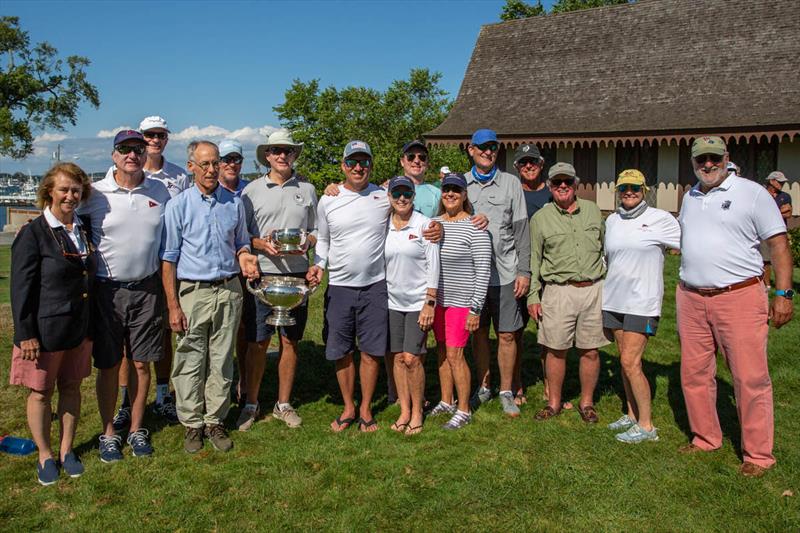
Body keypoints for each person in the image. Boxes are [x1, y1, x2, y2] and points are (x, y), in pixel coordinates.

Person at [677, 136, 794, 477]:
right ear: (694, 162)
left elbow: (779, 245)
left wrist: (783, 295)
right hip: (691, 297)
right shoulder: (690, 196)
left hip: (739, 296)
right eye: (702, 160)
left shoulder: (752, 193)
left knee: (750, 377)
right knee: (694, 374)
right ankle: (705, 438)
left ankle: (757, 455)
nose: (708, 165)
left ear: (727, 157)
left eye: (714, 158)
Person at [307, 140, 440, 433]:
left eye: (364, 162)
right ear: (343, 166)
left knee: (370, 351)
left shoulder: (383, 196)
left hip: (376, 287)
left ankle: (366, 409)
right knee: (342, 351)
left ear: (370, 166)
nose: (358, 167)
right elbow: (324, 239)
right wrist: (319, 264)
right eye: (352, 162)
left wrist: (437, 227)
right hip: (340, 285)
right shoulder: (328, 198)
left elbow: (408, 206)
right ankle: (348, 407)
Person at [78, 130, 171, 461]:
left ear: (146, 154)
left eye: (138, 149)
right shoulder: (94, 194)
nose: (132, 154)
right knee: (109, 365)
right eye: (124, 149)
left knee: (142, 364)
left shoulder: (160, 191)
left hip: (147, 287)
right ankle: (108, 433)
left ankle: (136, 428)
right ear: (113, 155)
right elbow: (65, 224)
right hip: (107, 290)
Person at [162, 140, 259, 454]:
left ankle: (214, 420)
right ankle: (192, 424)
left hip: (229, 289)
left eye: (215, 163)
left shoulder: (233, 203)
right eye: (204, 164)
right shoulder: (178, 206)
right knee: (190, 359)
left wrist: (244, 256)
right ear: (191, 166)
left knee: (220, 360)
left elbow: (242, 242)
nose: (211, 169)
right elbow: (169, 259)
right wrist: (173, 305)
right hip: (194, 291)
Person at [10, 162, 95, 485]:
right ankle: (45, 454)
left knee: (72, 388)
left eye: (76, 190)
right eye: (64, 189)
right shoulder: (33, 234)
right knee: (41, 393)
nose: (70, 196)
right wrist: (25, 333)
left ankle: (66, 449)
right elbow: (20, 288)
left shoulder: (82, 228)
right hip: (45, 331)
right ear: (49, 191)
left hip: (78, 327)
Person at [238, 130, 317, 430]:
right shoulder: (251, 191)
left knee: (290, 341)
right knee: (259, 342)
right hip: (263, 273)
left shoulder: (308, 190)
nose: (282, 156)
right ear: (267, 156)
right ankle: (250, 403)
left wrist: (307, 243)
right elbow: (241, 234)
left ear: (294, 154)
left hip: (296, 274)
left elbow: (317, 231)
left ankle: (283, 404)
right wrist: (260, 245)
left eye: (287, 150)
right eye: (276, 151)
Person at [602, 169, 680, 443]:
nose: (629, 193)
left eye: (635, 188)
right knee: (625, 362)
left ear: (644, 190)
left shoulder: (660, 219)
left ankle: (647, 426)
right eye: (624, 188)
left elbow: (686, 247)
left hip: (642, 301)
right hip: (614, 299)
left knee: (630, 362)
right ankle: (632, 414)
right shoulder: (611, 220)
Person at [528, 162, 609, 423]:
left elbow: (606, 248)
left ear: (576, 184)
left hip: (592, 288)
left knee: (591, 350)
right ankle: (554, 402)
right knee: (555, 349)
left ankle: (587, 402)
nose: (562, 186)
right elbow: (533, 259)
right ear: (550, 186)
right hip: (558, 291)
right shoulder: (541, 218)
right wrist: (533, 295)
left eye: (567, 182)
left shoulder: (594, 211)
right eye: (556, 182)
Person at [465, 129, 531, 418]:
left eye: (492, 147)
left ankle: (505, 391)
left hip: (505, 273)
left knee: (506, 335)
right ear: (471, 150)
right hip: (471, 276)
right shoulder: (460, 184)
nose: (488, 152)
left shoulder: (510, 183)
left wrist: (524, 271)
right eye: (482, 147)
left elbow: (522, 231)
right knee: (478, 335)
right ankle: (483, 384)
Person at [133, 115, 190, 427]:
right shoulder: (128, 170)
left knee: (169, 330)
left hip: (169, 266)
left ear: (167, 139)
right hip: (136, 269)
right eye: (149, 135)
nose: (155, 140)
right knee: (133, 337)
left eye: (160, 135)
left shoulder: (179, 177)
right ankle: (129, 398)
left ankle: (163, 391)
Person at [428, 173, 492, 429]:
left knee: (455, 354)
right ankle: (446, 400)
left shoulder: (475, 226)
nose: (451, 194)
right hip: (438, 302)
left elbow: (483, 270)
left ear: (465, 195)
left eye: (456, 189)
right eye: (447, 189)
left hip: (462, 302)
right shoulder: (433, 223)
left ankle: (464, 409)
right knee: (442, 352)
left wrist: (475, 308)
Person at [384, 176, 440, 435]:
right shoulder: (384, 224)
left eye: (407, 193)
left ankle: (418, 412)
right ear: (390, 196)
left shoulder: (425, 224)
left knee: (412, 358)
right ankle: (404, 410)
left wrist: (430, 302)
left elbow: (434, 266)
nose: (402, 198)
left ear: (414, 196)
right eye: (397, 194)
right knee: (397, 358)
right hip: (392, 301)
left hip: (418, 301)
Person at [512, 143, 551, 406]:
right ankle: (516, 386)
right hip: (517, 272)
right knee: (513, 332)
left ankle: (552, 388)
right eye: (524, 162)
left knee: (548, 334)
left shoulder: (553, 194)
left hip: (546, 273)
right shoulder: (513, 194)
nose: (529, 166)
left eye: (533, 162)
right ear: (517, 167)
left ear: (541, 163)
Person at [217, 138, 252, 406]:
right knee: (217, 330)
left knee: (241, 327)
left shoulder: (249, 191)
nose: (231, 164)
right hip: (215, 271)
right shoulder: (208, 189)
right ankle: (218, 382)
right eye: (226, 159)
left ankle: (242, 379)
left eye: (236, 159)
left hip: (245, 267)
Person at [761, 171, 793, 288]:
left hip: (780, 232)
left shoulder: (785, 196)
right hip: (764, 231)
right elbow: (760, 214)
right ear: (771, 181)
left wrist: (772, 213)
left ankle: (782, 285)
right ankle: (767, 285)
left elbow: (788, 213)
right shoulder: (761, 194)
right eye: (780, 182)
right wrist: (780, 211)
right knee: (766, 260)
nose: (782, 184)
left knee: (782, 260)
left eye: (783, 182)